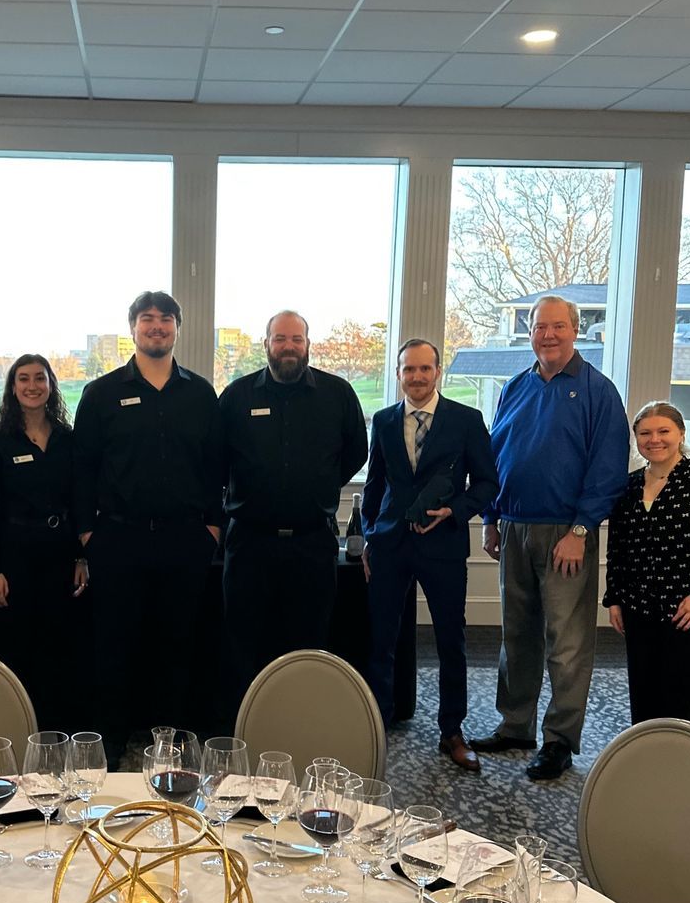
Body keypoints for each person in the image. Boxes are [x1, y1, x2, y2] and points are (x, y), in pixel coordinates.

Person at [473, 295, 630, 781]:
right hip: (514, 528)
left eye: (558, 326)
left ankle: (560, 740)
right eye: (541, 327)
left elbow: (607, 471)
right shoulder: (514, 387)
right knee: (516, 636)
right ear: (531, 333)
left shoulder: (597, 391)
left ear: (575, 331)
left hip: (568, 534)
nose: (548, 335)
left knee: (567, 641)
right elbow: (496, 457)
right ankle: (514, 725)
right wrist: (492, 518)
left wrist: (580, 530)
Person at [74, 292, 222, 764]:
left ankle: (171, 746)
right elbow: (81, 470)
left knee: (178, 645)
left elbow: (216, 467)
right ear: (133, 327)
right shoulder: (101, 394)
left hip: (185, 539)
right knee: (114, 645)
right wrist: (86, 536)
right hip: (119, 538)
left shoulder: (200, 393)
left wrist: (213, 530)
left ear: (178, 327)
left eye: (165, 319)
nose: (156, 327)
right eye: (146, 319)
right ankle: (111, 745)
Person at [219, 309, 368, 711]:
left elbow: (357, 452)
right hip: (250, 544)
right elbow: (216, 460)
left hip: (312, 543)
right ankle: (242, 729)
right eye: (280, 339)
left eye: (296, 339)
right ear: (266, 344)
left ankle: (299, 722)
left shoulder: (337, 394)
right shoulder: (237, 396)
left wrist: (316, 484)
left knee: (308, 643)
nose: (288, 346)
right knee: (243, 642)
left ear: (307, 345)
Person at [361, 338, 499, 772]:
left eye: (425, 369)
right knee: (380, 640)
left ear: (437, 372)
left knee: (450, 642)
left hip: (442, 547)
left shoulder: (466, 420)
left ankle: (451, 732)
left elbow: (488, 484)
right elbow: (375, 485)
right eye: (408, 370)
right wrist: (368, 535)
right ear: (399, 374)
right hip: (389, 545)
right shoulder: (383, 421)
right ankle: (376, 722)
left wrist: (454, 511)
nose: (417, 377)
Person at [604, 400, 690, 728]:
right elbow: (619, 548)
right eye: (645, 433)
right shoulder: (630, 485)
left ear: (681, 433)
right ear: (636, 439)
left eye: (663, 431)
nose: (655, 439)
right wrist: (615, 599)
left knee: (687, 693)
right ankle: (650, 762)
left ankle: (689, 766)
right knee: (645, 691)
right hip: (640, 606)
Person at [0, 354, 87, 726]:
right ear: (12, 388)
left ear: (51, 385)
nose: (32, 386)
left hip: (60, 553)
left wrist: (81, 558)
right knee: (18, 645)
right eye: (23, 379)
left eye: (40, 378)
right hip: (15, 555)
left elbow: (79, 500)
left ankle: (58, 727)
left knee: (60, 642)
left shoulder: (68, 439)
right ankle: (20, 724)